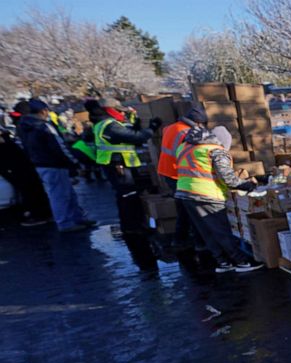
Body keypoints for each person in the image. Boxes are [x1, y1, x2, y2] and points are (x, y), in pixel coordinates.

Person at [175, 126, 263, 273]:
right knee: (221, 230)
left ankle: (222, 262)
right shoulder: (216, 151)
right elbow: (228, 179)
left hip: (185, 193)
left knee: (206, 230)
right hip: (206, 194)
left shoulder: (185, 147)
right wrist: (248, 185)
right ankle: (241, 261)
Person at [89, 101, 161, 269]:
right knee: (128, 197)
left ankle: (133, 225)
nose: (123, 113)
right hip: (117, 166)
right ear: (111, 110)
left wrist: (135, 126)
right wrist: (151, 128)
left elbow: (130, 137)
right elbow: (136, 138)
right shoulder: (109, 125)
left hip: (119, 165)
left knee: (129, 195)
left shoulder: (106, 124)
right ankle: (132, 228)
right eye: (120, 111)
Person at [16, 99, 94, 232]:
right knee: (60, 195)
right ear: (43, 111)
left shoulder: (23, 126)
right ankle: (66, 223)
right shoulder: (44, 126)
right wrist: (74, 162)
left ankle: (76, 218)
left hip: (41, 164)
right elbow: (59, 147)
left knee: (63, 194)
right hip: (55, 164)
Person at [158, 106, 208, 251]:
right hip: (178, 173)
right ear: (198, 122)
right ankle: (199, 243)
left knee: (183, 207)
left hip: (167, 171)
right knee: (191, 209)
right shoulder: (187, 133)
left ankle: (180, 239)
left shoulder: (170, 127)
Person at [0, 128, 53, 227]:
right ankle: (42, 213)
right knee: (31, 189)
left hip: (17, 168)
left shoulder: (6, 144)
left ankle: (39, 215)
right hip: (21, 168)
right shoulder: (10, 141)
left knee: (29, 190)